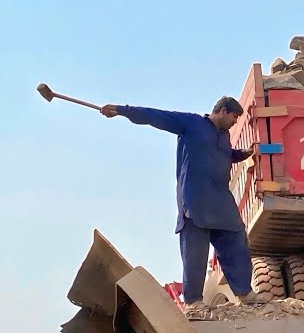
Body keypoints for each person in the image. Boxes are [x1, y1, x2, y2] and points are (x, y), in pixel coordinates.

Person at [100, 96, 257, 315]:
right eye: (234, 116)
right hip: (195, 199)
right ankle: (193, 300)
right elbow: (156, 116)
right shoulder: (191, 124)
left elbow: (224, 155)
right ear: (222, 110)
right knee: (195, 250)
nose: (235, 121)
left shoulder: (224, 135)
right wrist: (122, 110)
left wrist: (242, 154)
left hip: (220, 199)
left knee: (236, 239)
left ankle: (244, 292)